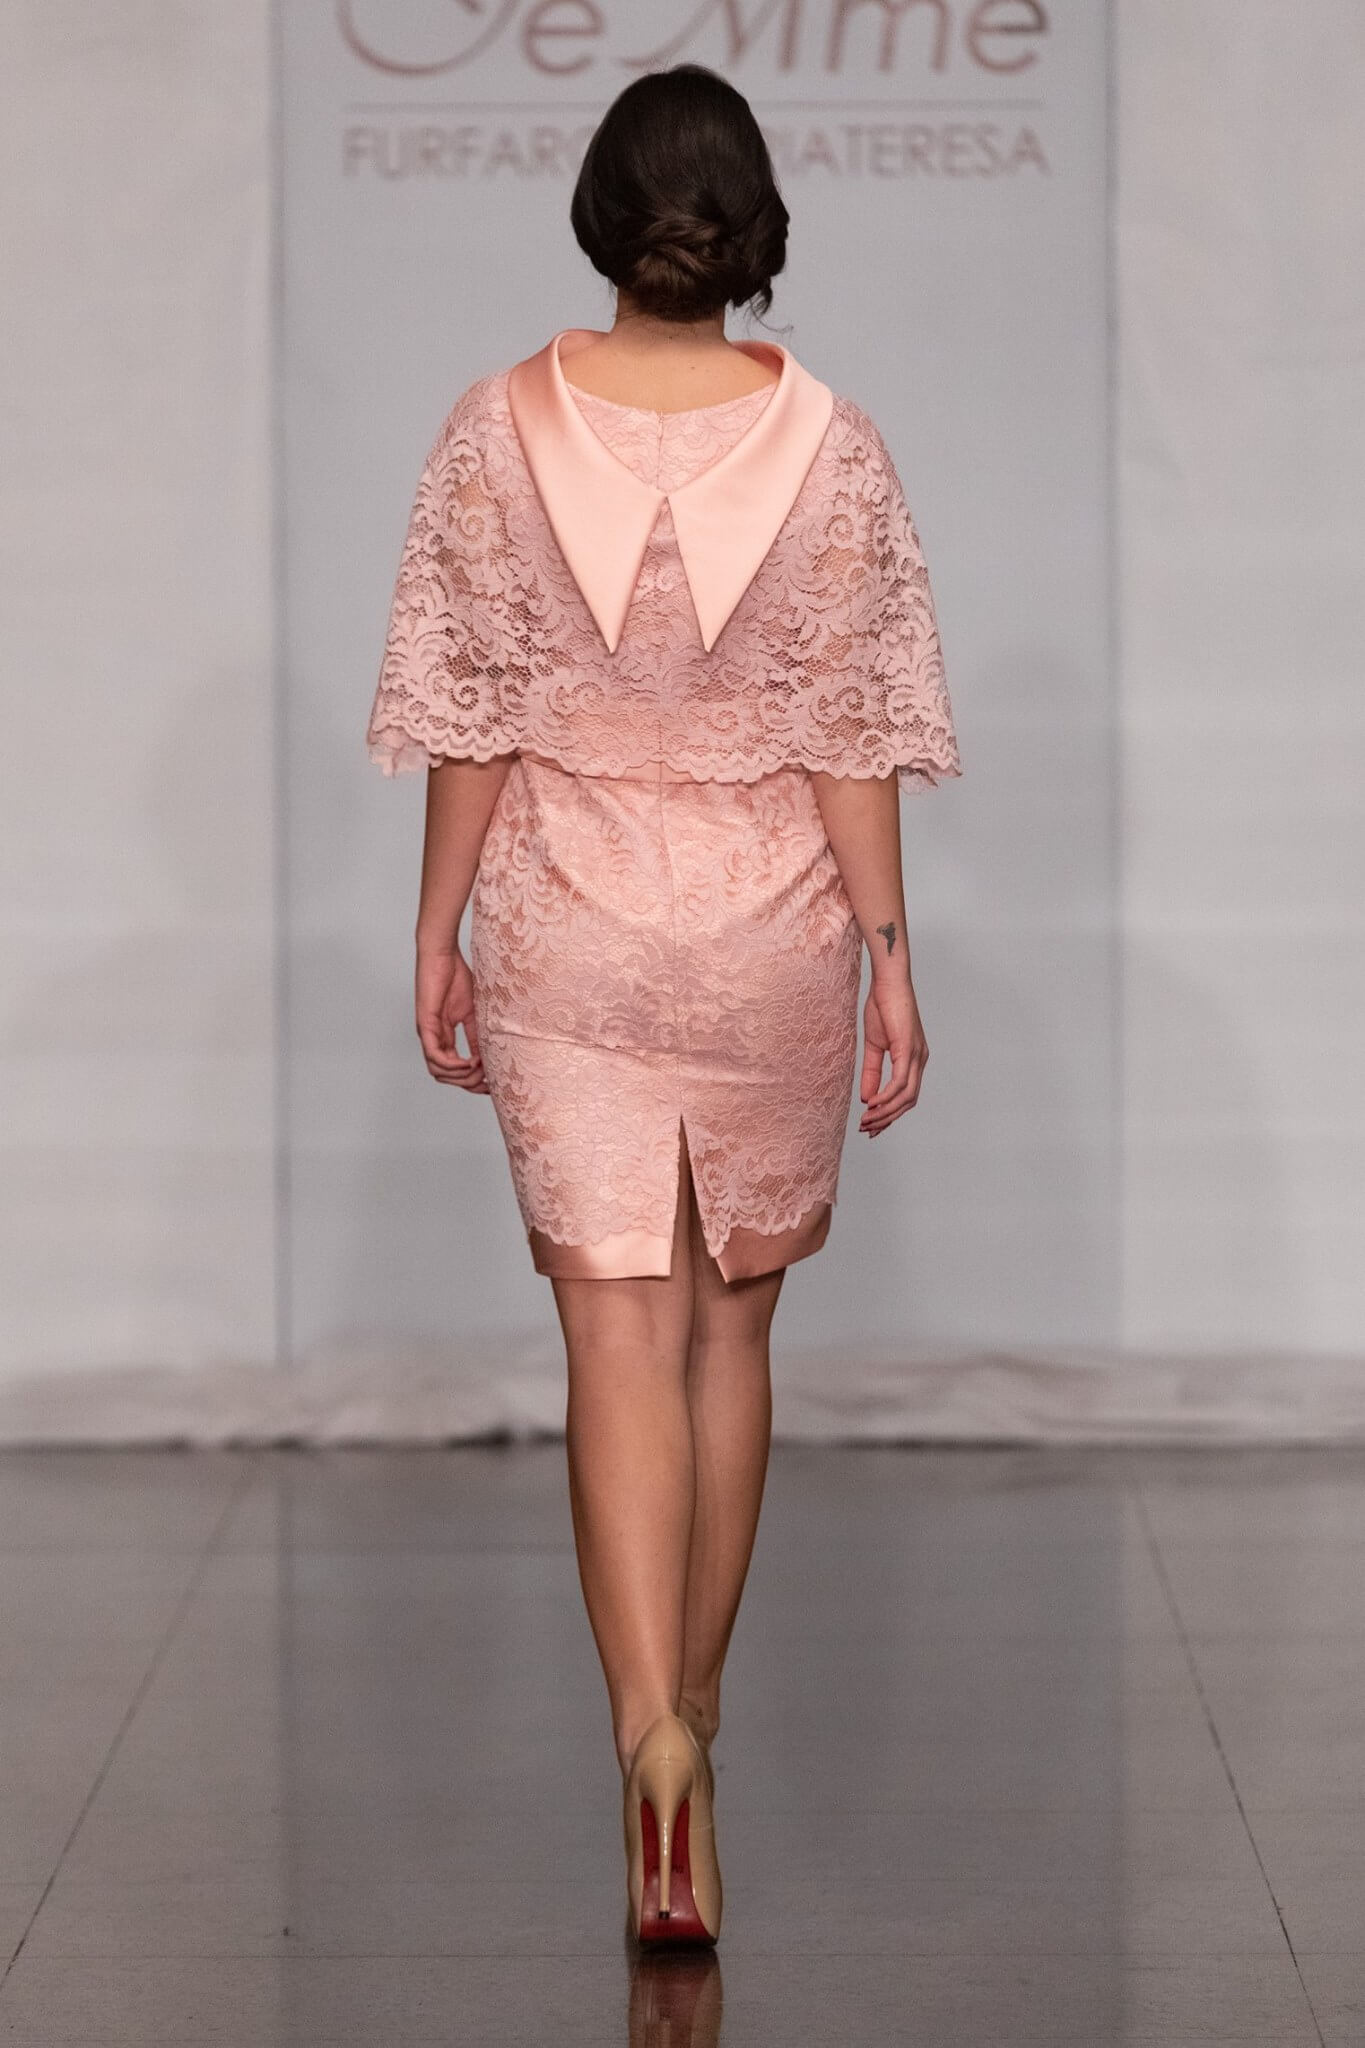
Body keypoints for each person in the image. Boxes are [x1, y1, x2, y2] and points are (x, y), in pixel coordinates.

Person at [366, 62, 961, 1947]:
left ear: (600, 222)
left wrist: (438, 925)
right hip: (771, 925)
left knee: (615, 1338)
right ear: (752, 228)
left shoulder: (495, 429)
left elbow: (473, 711)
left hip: (571, 923)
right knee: (727, 1338)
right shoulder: (833, 446)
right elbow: (850, 730)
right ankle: (699, 1712)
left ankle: (644, 1742)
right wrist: (889, 953)